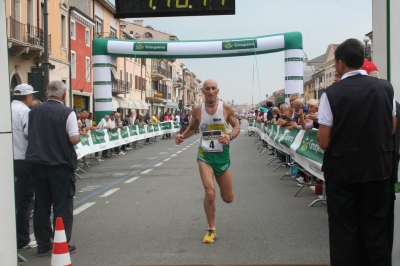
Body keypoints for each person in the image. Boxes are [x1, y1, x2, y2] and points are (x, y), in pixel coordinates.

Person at [317, 38, 396, 266]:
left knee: (344, 233)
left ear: (340, 64)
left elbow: (323, 140)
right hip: (378, 169)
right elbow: (391, 126)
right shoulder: (385, 88)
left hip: (343, 173)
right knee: (376, 232)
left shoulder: (331, 94)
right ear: (362, 60)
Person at [175, 79, 240, 243]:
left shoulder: (225, 108)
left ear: (217, 91)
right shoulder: (198, 110)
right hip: (204, 154)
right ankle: (211, 228)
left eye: (213, 88)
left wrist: (230, 136)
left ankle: (214, 206)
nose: (210, 91)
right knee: (210, 192)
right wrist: (182, 136)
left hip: (222, 155)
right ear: (202, 91)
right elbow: (191, 129)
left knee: (228, 198)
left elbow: (237, 127)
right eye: (207, 89)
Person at [25, 80, 80, 256]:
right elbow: (73, 139)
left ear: (48, 93)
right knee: (62, 206)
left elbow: (27, 134)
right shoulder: (67, 112)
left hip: (38, 163)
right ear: (64, 95)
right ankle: (61, 242)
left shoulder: (34, 111)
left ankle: (42, 244)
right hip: (60, 165)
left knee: (41, 205)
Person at [11, 84, 38, 250]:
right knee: (24, 201)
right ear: (27, 97)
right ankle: (22, 239)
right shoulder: (25, 112)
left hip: (8, 159)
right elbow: (29, 134)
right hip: (23, 158)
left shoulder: (6, 109)